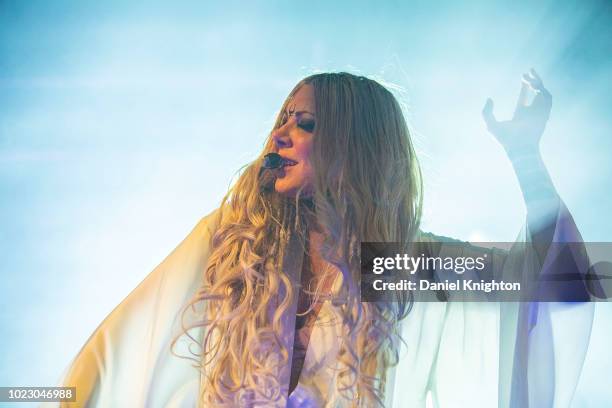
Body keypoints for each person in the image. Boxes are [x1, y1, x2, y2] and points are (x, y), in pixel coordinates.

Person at [55, 72, 594, 407]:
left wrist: (526, 157)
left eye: (306, 123)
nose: (280, 134)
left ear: (353, 145)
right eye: (282, 120)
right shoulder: (234, 249)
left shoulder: (402, 268)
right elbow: (113, 359)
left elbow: (562, 284)